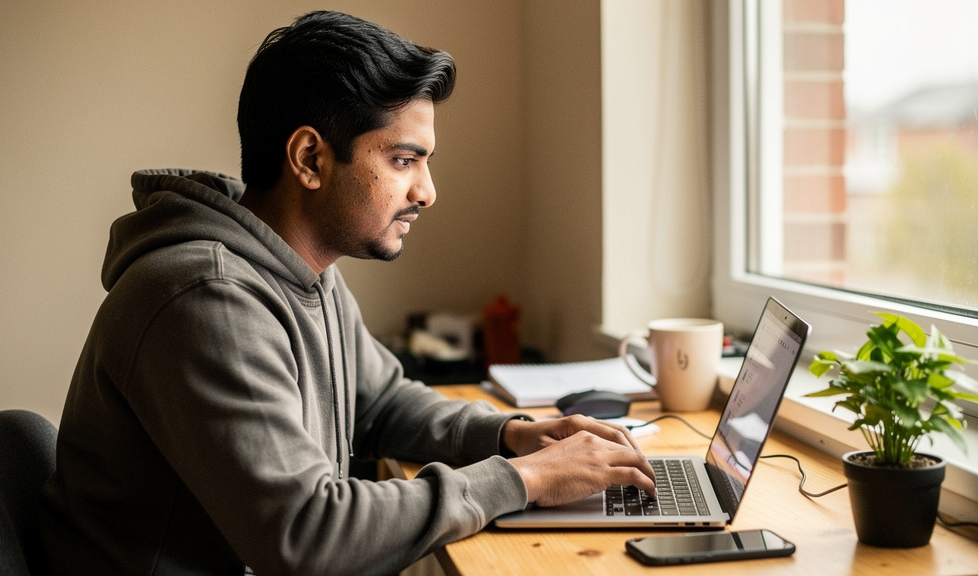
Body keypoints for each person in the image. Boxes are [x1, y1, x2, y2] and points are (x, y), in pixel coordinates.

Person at [37, 10, 656, 576]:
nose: (427, 191)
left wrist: (506, 437)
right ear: (309, 157)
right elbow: (307, 535)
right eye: (403, 160)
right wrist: (520, 480)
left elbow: (380, 401)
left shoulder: (300, 271)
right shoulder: (206, 299)